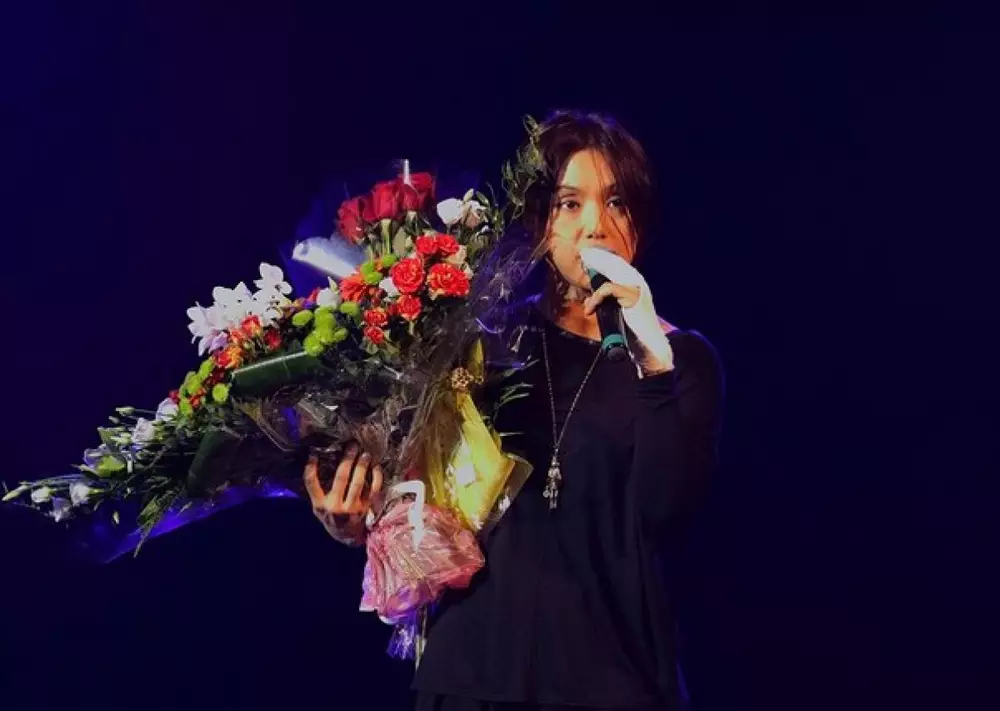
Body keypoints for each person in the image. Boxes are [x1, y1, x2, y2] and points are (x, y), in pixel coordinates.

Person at [304, 110, 725, 711]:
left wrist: (652, 364)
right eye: (570, 204)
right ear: (541, 221)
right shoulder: (484, 337)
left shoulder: (680, 359)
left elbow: (664, 514)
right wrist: (356, 518)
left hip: (609, 681)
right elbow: (423, 495)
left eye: (617, 203)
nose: (596, 226)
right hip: (471, 674)